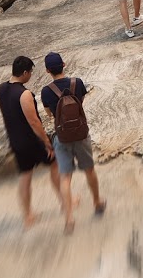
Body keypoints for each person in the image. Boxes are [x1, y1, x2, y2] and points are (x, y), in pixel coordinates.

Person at [39, 52, 105, 233]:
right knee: (89, 169)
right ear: (64, 64)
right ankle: (97, 202)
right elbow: (80, 103)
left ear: (47, 70)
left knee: (65, 178)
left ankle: (69, 218)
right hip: (81, 134)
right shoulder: (78, 83)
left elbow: (49, 114)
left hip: (62, 137)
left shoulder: (46, 91)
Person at [0, 56, 61, 229]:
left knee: (25, 177)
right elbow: (34, 122)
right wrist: (47, 142)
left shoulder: (1, 89)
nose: (31, 75)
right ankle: (65, 200)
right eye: (30, 72)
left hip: (15, 141)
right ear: (25, 73)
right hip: (31, 141)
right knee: (55, 165)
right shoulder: (24, 94)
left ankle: (28, 216)